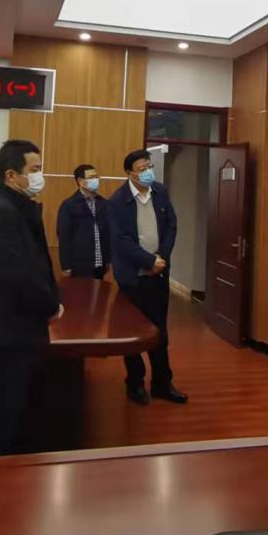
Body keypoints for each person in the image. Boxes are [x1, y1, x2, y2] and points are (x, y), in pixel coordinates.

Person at [0, 139, 63, 456]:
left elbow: (37, 265)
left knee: (19, 421)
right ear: (11, 175)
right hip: (5, 338)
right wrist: (50, 304)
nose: (40, 176)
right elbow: (18, 275)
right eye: (34, 169)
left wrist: (51, 298)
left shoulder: (17, 208)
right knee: (0, 426)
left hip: (19, 333)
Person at [107, 148, 187, 406]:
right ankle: (135, 384)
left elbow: (172, 225)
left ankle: (162, 383)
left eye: (149, 166)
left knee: (159, 332)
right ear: (129, 173)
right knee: (133, 334)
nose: (148, 172)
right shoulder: (117, 201)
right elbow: (121, 241)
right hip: (133, 278)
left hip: (158, 276)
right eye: (142, 169)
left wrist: (161, 257)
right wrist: (148, 261)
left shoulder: (160, 192)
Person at [56, 164, 112, 279]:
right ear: (80, 181)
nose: (95, 180)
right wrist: (66, 266)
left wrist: (109, 259)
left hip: (101, 264)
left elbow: (108, 233)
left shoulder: (103, 203)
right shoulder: (69, 205)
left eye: (96, 177)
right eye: (91, 177)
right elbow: (64, 237)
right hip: (79, 265)